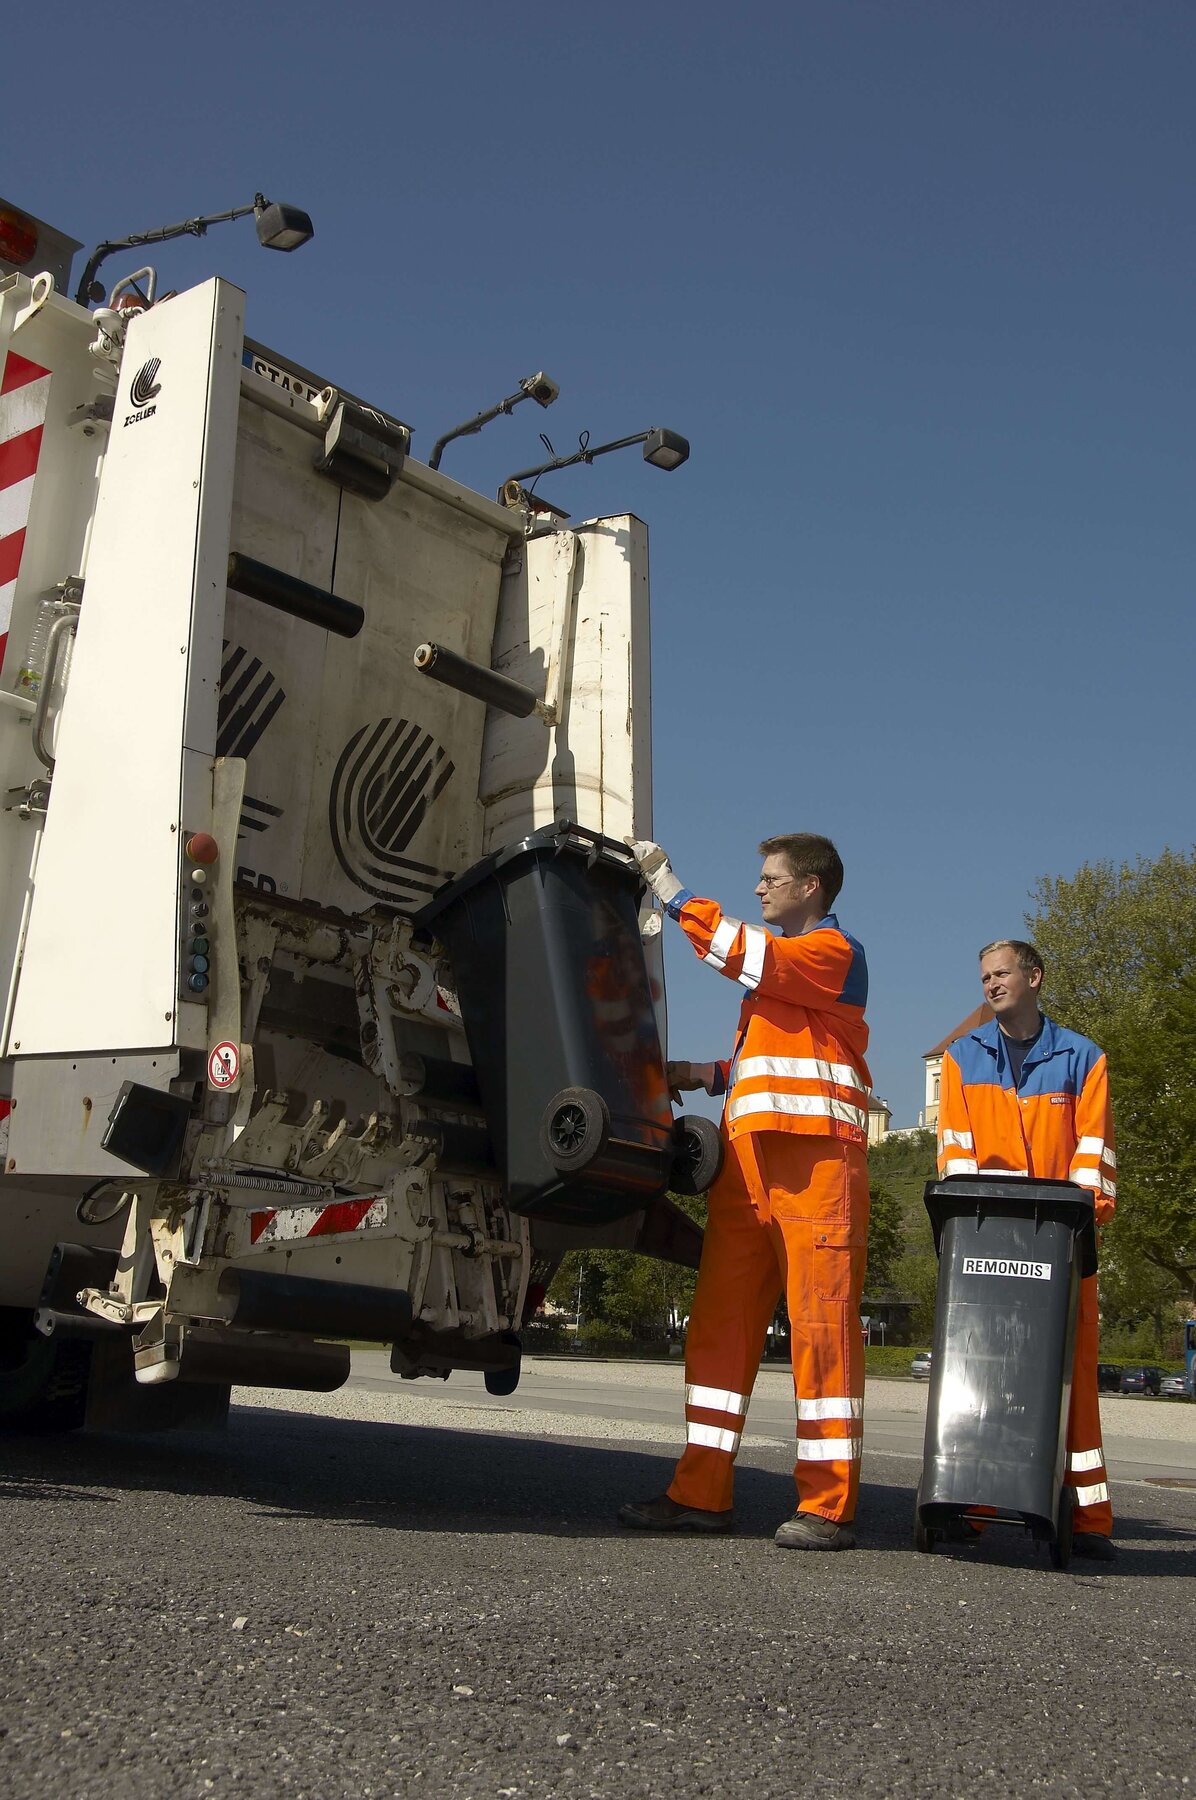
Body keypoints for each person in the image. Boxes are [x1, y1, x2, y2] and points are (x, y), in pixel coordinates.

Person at [618, 833, 871, 1550]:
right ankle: (699, 1494)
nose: (759, 889)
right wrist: (701, 1074)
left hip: (818, 1167)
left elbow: (738, 951)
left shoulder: (831, 952)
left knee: (822, 1333)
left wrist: (671, 892)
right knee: (719, 1328)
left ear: (811, 887)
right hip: (748, 1166)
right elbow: (772, 1057)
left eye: (771, 878)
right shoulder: (787, 977)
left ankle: (828, 1506)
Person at [936, 939, 1117, 1560]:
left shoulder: (1083, 1059)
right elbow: (955, 1152)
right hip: (986, 1241)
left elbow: (1093, 1157)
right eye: (984, 976)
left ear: (1034, 977)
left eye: (1002, 973)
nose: (990, 984)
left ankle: (1089, 1518)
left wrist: (1081, 1219)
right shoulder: (961, 1058)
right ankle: (976, 1501)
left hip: (1064, 1244)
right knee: (980, 1370)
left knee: (1075, 1379)